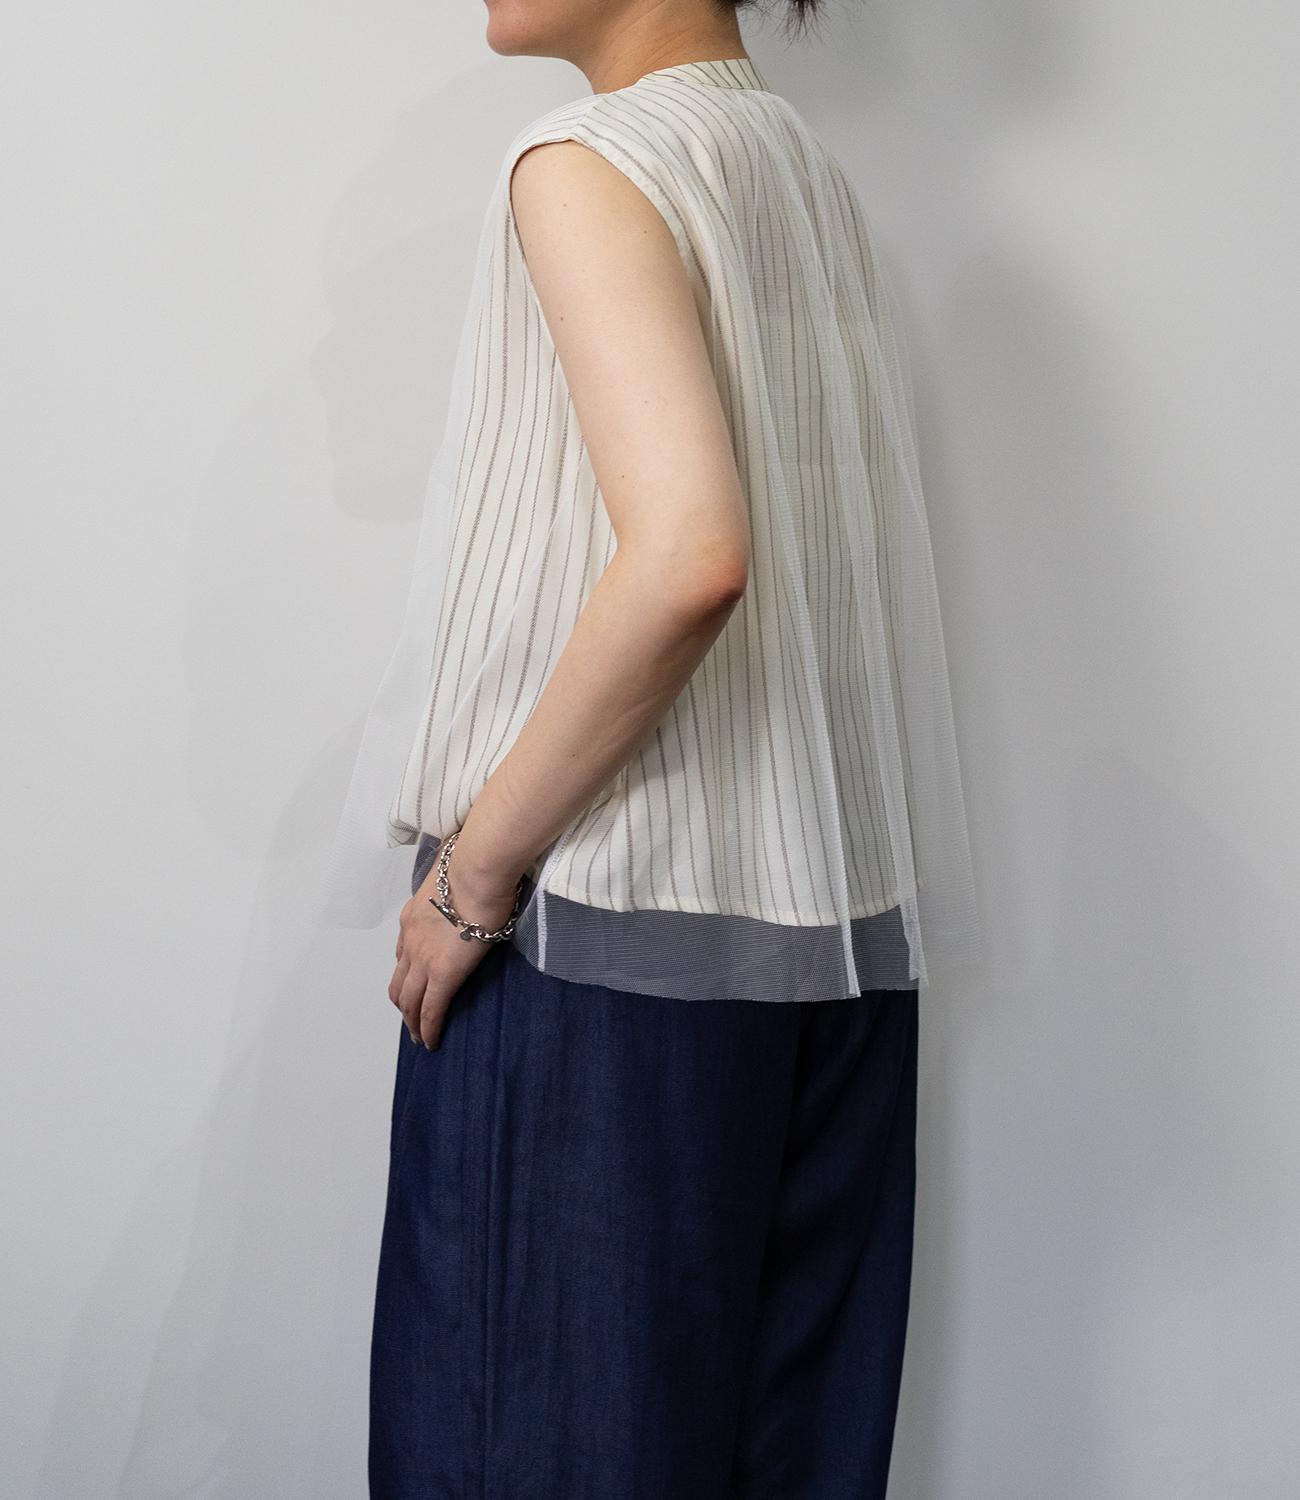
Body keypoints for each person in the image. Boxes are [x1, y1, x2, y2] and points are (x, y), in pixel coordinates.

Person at [321, 0, 982, 1494]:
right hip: (818, 949)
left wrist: (473, 877)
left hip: (596, 959)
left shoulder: (588, 161)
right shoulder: (804, 172)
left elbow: (692, 553)